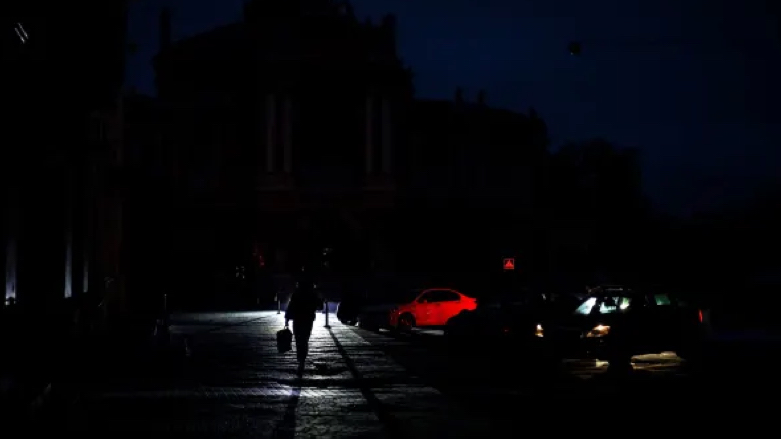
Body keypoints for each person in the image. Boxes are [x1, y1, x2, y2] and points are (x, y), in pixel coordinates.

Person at [285, 267, 321, 367]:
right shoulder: (312, 293)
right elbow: (320, 306)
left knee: (298, 338)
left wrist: (287, 319)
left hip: (297, 318)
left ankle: (300, 357)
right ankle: (302, 358)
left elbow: (291, 306)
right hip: (308, 318)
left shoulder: (296, 293)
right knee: (305, 338)